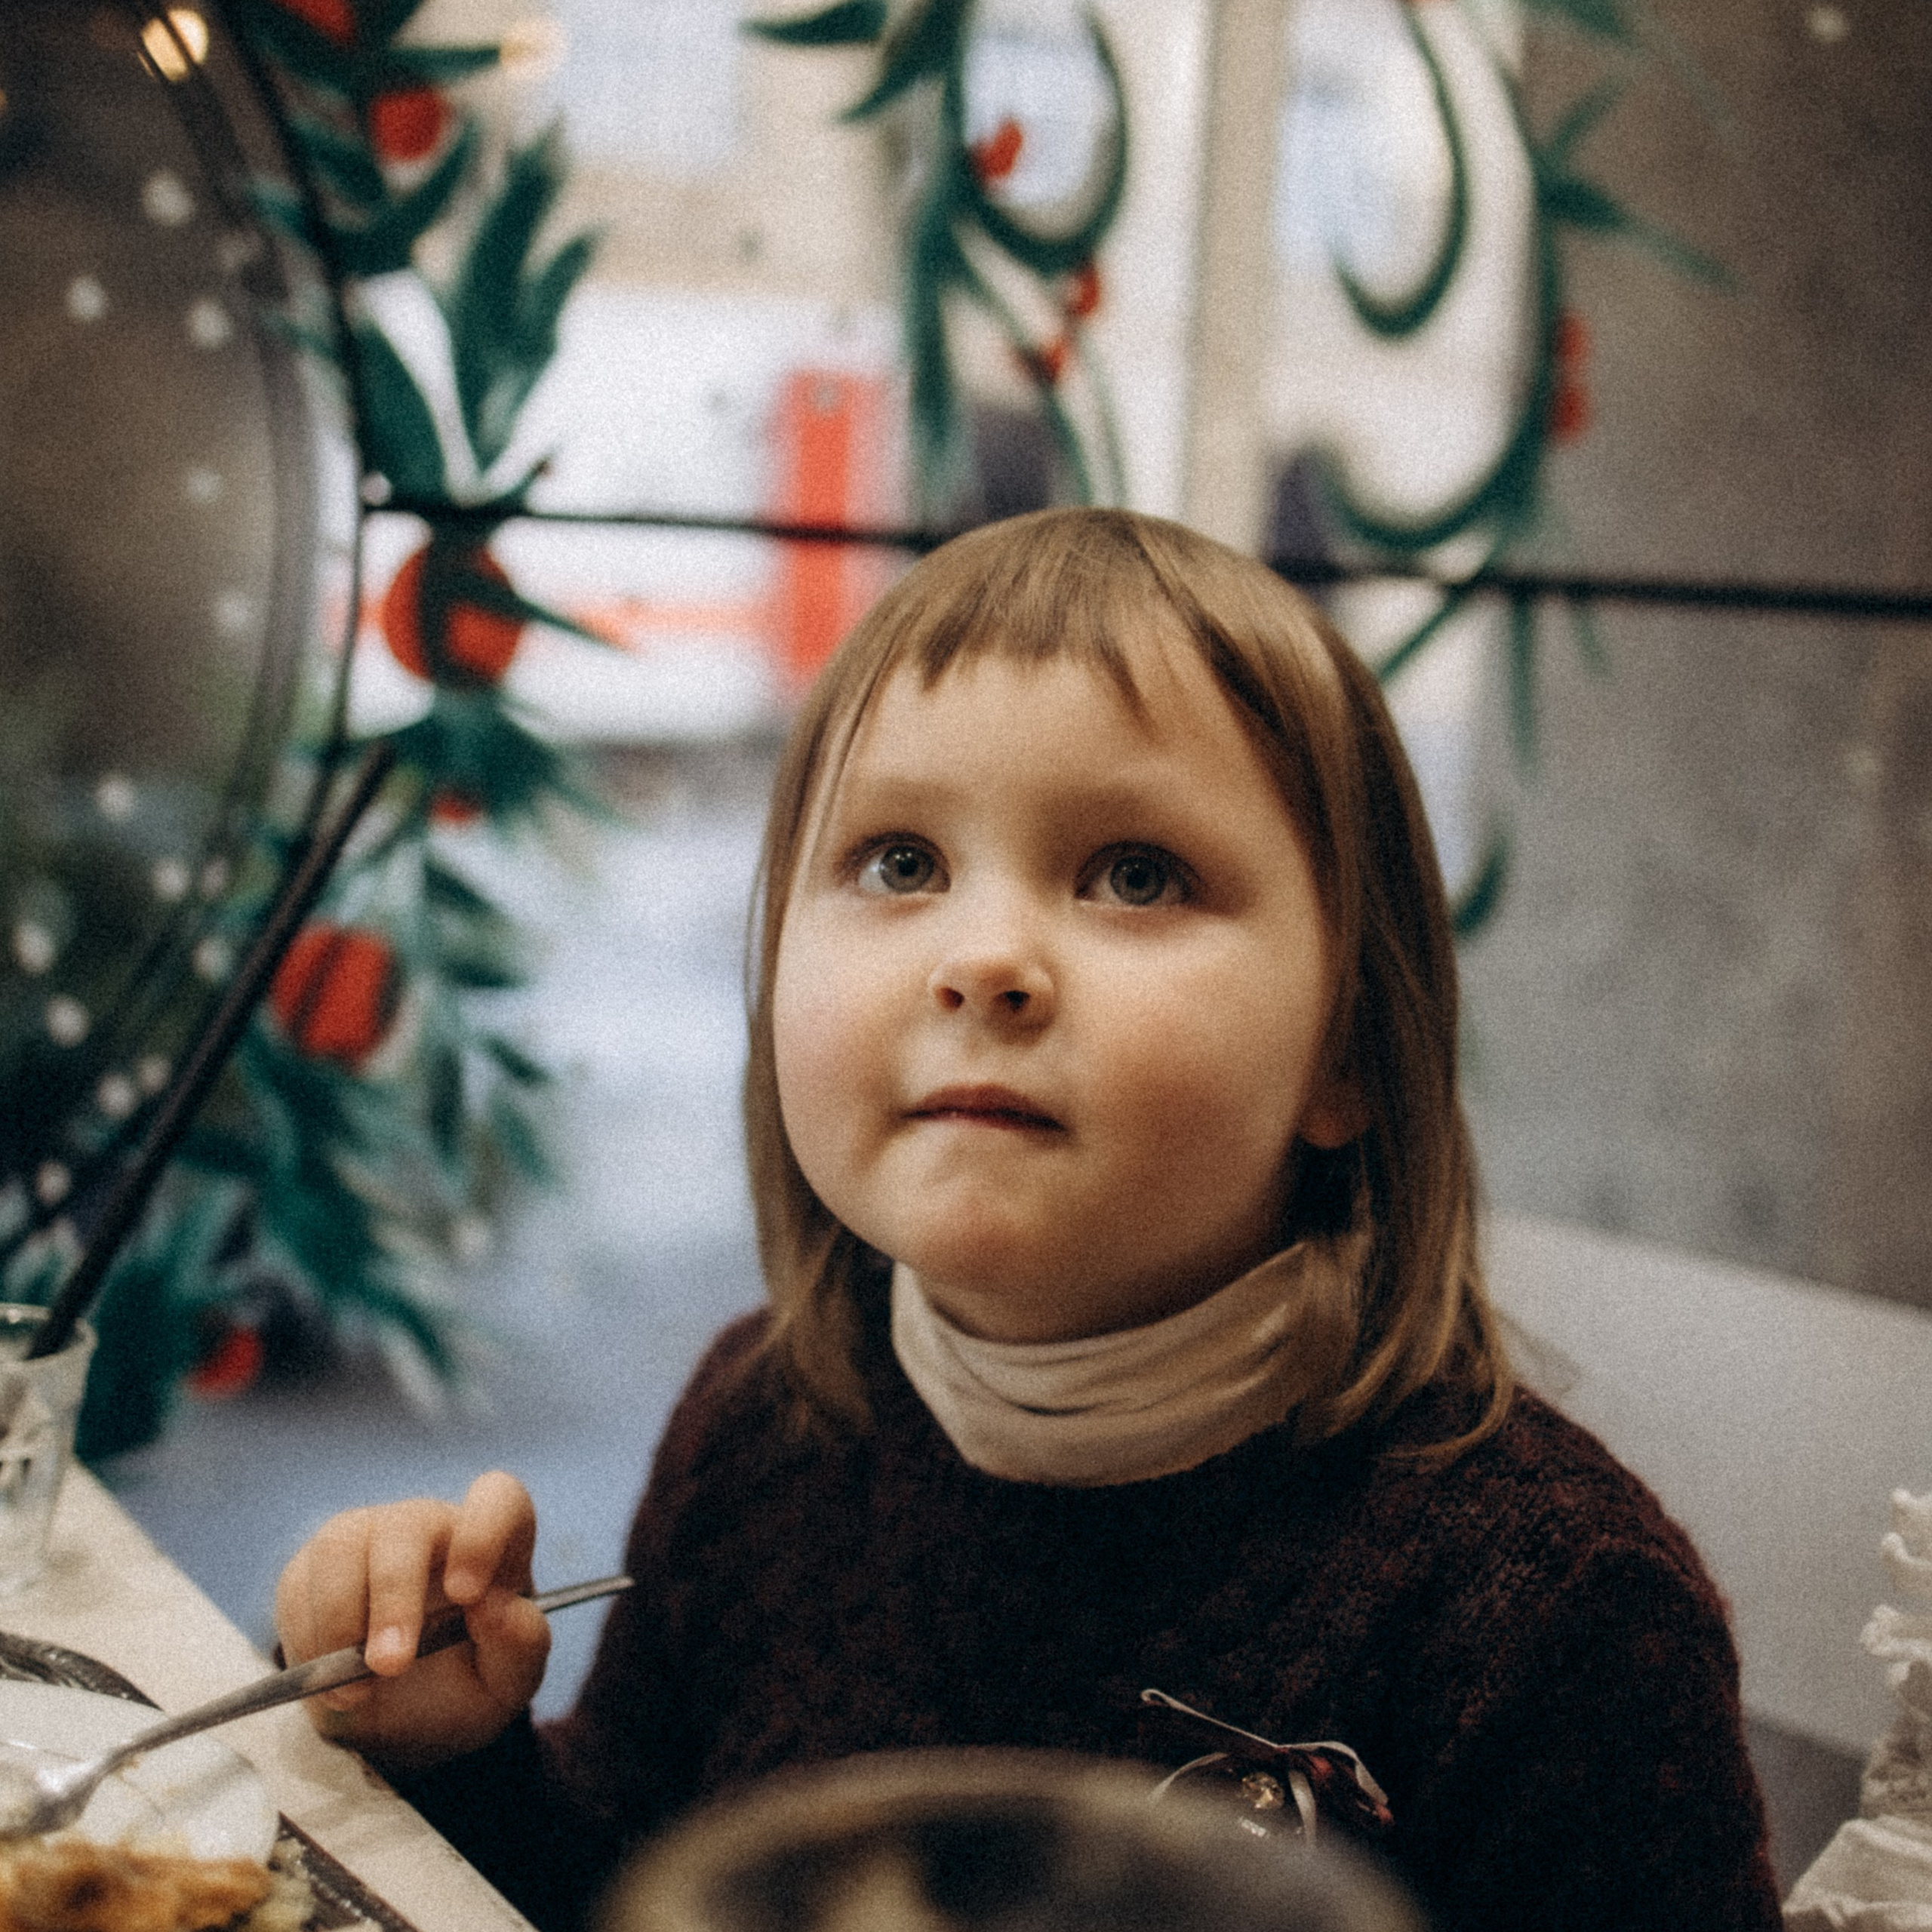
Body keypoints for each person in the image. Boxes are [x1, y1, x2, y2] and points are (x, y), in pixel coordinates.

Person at [274, 509, 1783, 1932]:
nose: (983, 959)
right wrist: (459, 1747)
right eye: (899, 862)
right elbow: (629, 1878)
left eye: (1135, 874)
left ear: (1347, 1050)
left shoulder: (1553, 1613)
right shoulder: (763, 1416)